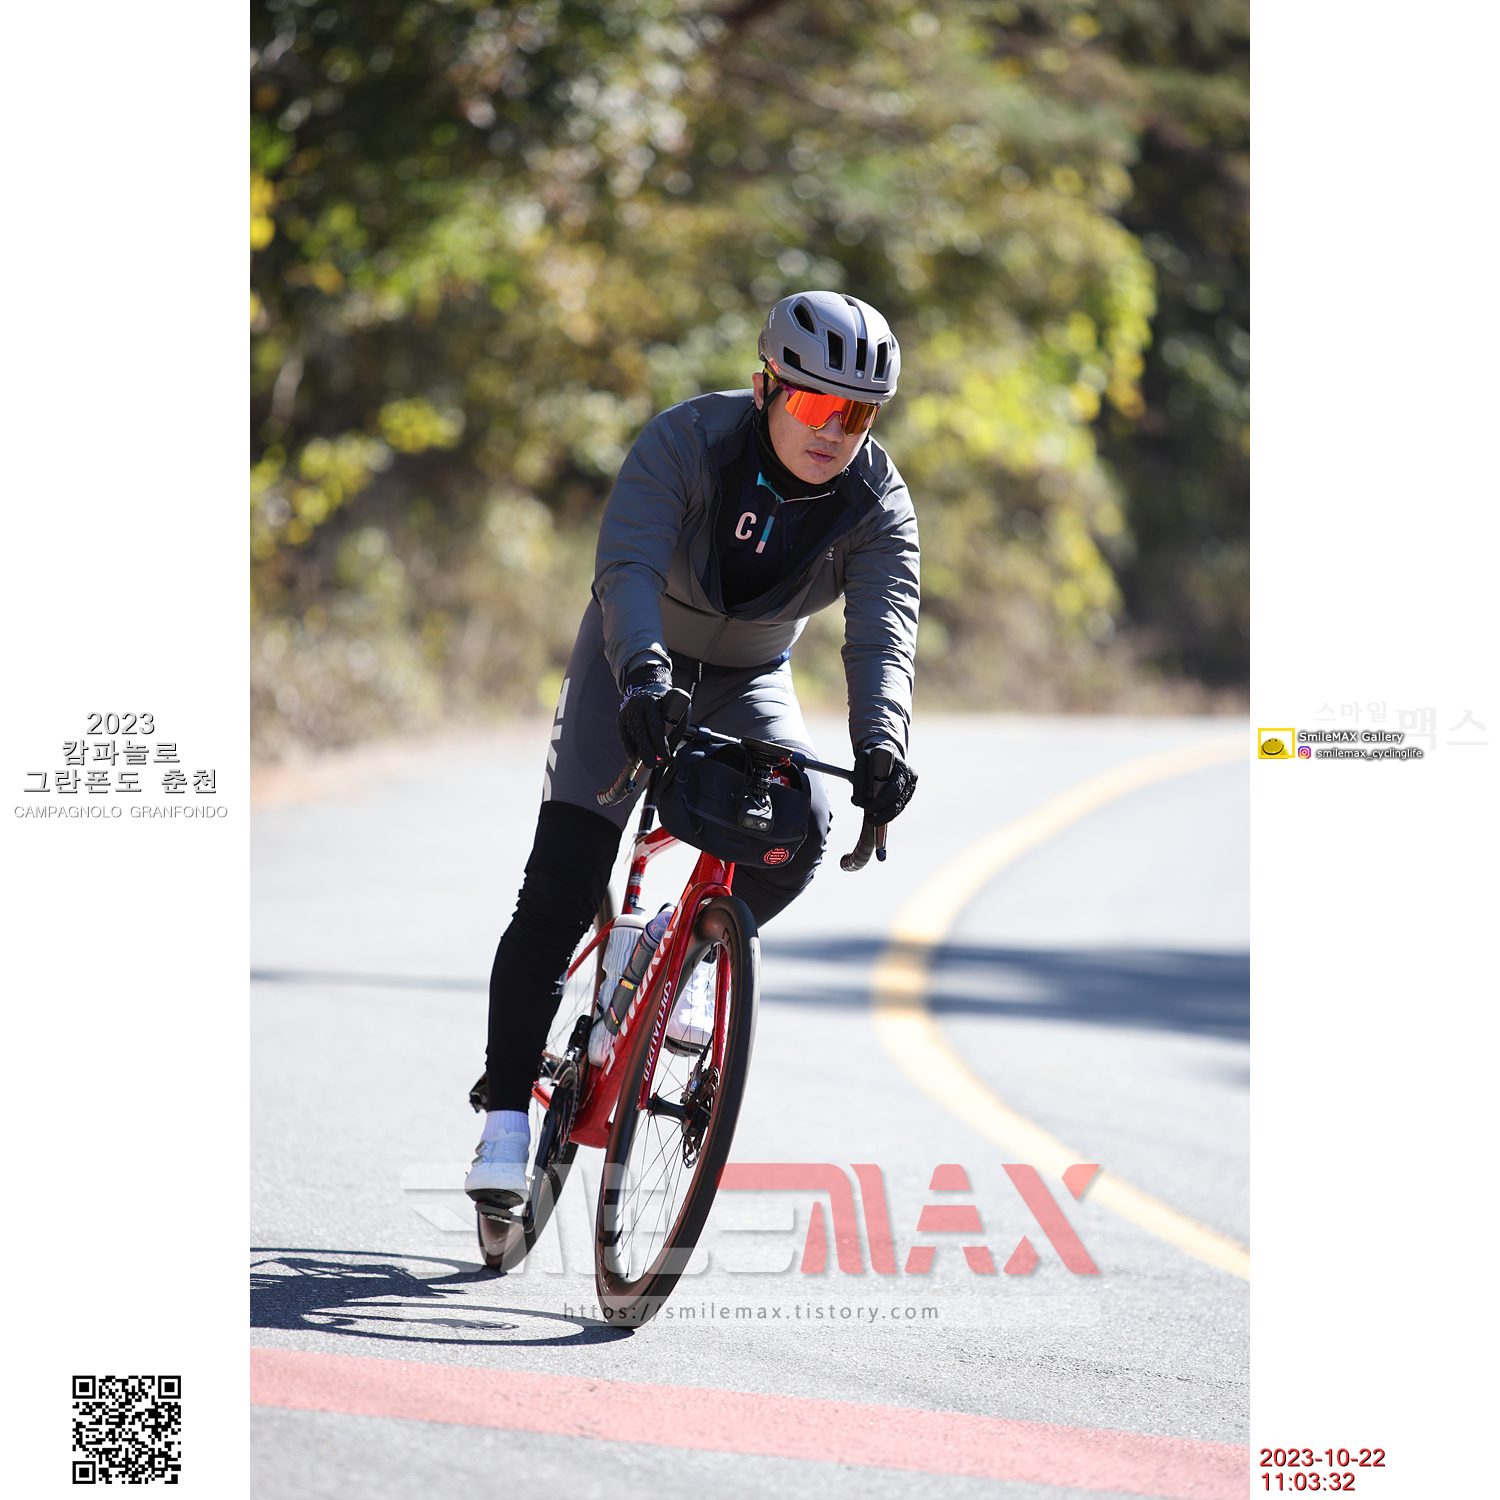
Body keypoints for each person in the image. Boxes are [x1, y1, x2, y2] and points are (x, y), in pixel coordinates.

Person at [466, 290, 920, 1204]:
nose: (834, 431)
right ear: (766, 386)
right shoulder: (686, 441)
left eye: (859, 414)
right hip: (631, 657)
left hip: (751, 676)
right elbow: (627, 567)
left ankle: (688, 957)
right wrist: (642, 677)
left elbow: (883, 635)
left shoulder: (877, 502)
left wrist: (882, 742)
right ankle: (506, 1119)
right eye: (816, 403)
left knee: (803, 827)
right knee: (561, 884)